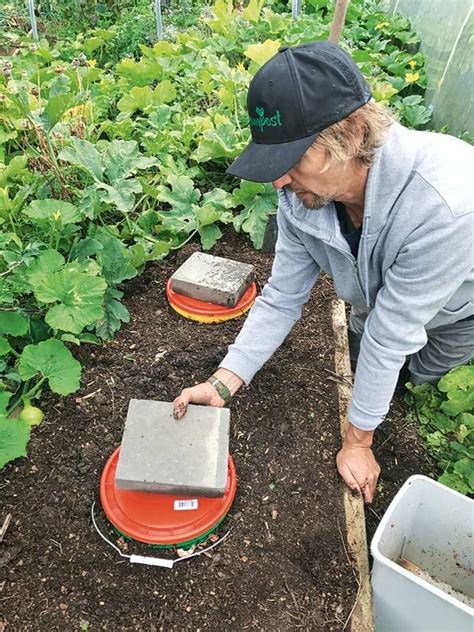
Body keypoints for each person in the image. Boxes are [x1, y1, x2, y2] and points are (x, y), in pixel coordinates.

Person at [173, 41, 474, 503]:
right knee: (366, 354)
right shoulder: (302, 196)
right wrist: (223, 381)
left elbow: (392, 333)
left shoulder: (446, 203)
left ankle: (400, 402)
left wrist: (358, 443)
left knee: (423, 378)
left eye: (292, 160)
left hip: (457, 310)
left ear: (352, 135)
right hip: (370, 302)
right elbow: (282, 296)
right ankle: (379, 403)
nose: (278, 181)